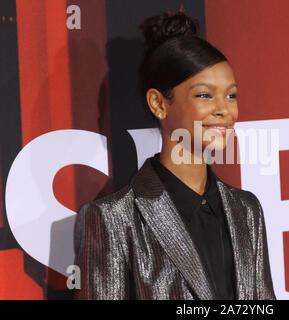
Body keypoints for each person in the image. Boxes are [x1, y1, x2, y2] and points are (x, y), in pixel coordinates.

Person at [73, 11, 275, 300]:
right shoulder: (114, 219)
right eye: (205, 95)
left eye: (231, 95)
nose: (224, 110)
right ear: (159, 103)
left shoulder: (247, 210)